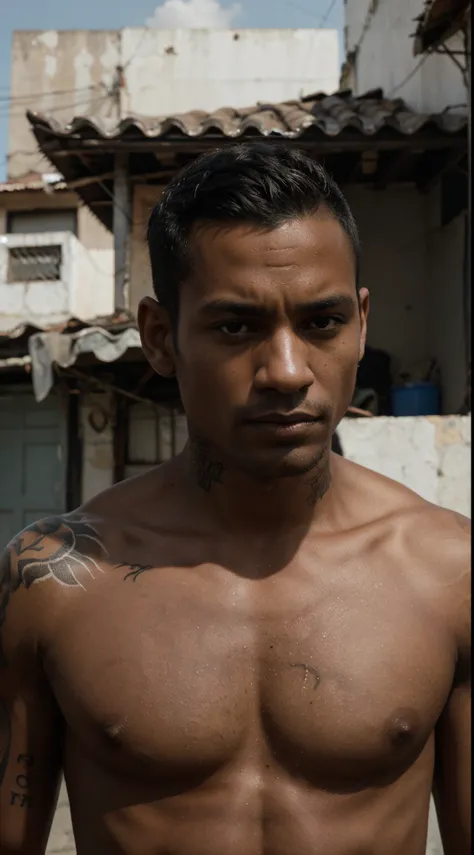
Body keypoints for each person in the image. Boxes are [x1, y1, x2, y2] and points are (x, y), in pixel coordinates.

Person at [0, 143, 470, 855]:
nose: (287, 371)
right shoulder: (55, 579)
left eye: (322, 323)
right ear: (160, 337)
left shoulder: (450, 573)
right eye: (236, 326)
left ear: (362, 323)